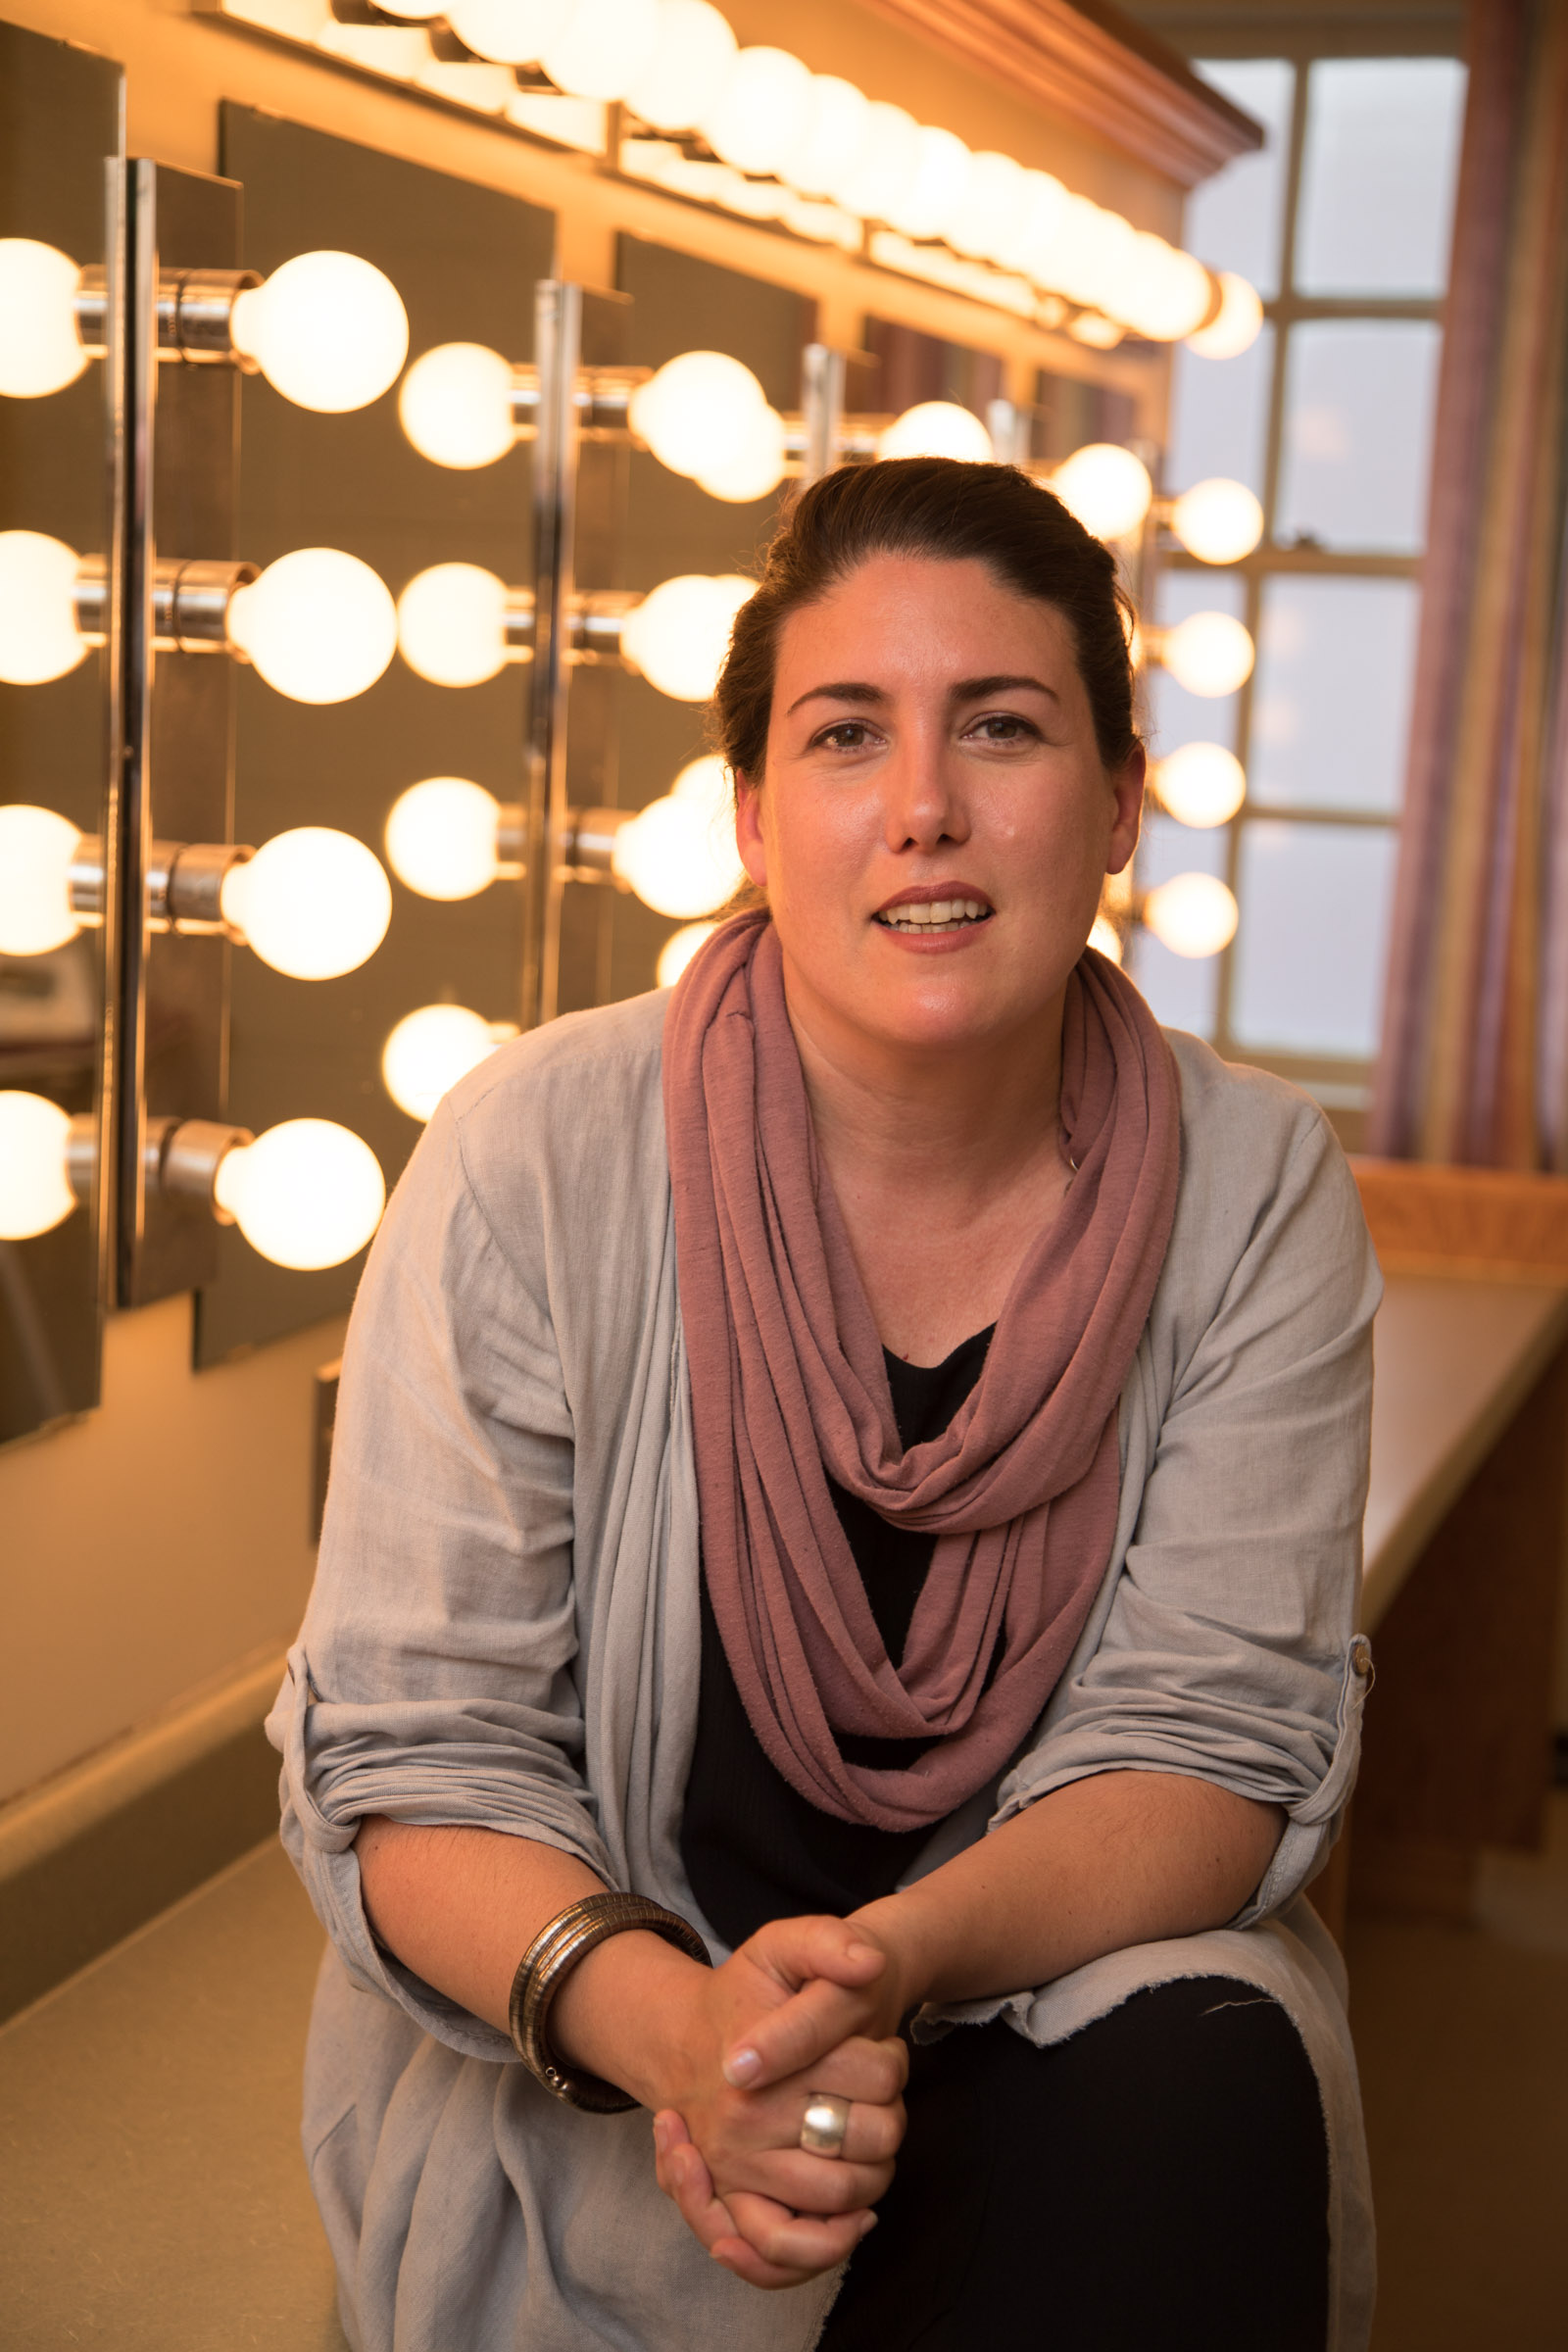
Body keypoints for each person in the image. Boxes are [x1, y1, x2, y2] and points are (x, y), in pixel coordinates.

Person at [271, 457, 1380, 2352]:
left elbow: (1215, 1740)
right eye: (848, 734)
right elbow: (419, 1751)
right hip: (623, 2047)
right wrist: (690, 2035)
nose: (926, 811)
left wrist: (888, 1969)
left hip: (1047, 1985)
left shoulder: (1258, 1184)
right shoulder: (530, 1154)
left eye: (1005, 730)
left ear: (1119, 805)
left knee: (1207, 2097)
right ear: (757, 816)